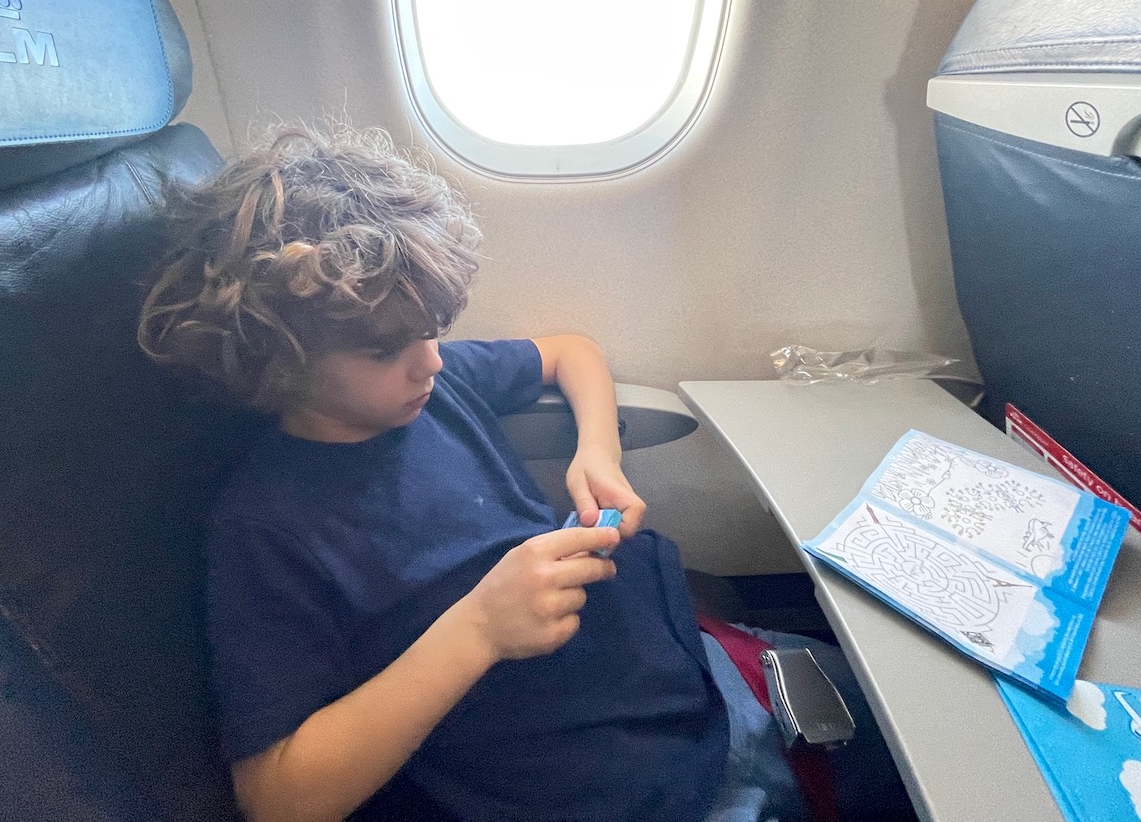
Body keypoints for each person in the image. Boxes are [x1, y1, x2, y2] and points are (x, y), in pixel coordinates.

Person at [137, 123, 909, 822]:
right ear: (281, 360)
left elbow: (571, 349)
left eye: (434, 332)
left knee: (913, 713)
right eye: (386, 349)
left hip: (682, 674)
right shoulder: (267, 528)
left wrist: (596, 450)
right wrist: (477, 628)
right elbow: (277, 795)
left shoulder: (432, 387)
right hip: (611, 780)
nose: (430, 361)